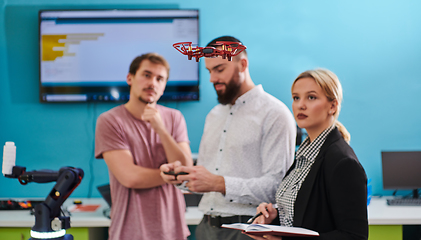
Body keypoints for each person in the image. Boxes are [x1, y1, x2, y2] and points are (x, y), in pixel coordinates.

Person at [160, 36, 297, 240]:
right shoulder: (214, 115)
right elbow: (207, 179)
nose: (212, 79)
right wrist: (180, 177)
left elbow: (277, 187)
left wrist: (219, 183)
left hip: (247, 230)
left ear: (242, 64)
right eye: (209, 71)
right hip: (206, 228)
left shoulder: (275, 114)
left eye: (220, 69)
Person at [247, 69, 368, 240]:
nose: (300, 105)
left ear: (332, 106)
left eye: (311, 97)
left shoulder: (342, 162)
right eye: (296, 98)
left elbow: (354, 236)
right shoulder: (305, 155)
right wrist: (275, 217)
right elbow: (305, 219)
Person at [95, 53, 193, 240]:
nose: (153, 83)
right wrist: (171, 175)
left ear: (164, 87)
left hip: (173, 230)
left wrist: (161, 129)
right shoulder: (110, 121)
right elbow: (130, 177)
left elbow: (186, 169)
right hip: (129, 231)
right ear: (130, 78)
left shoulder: (174, 117)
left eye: (160, 78)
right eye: (146, 75)